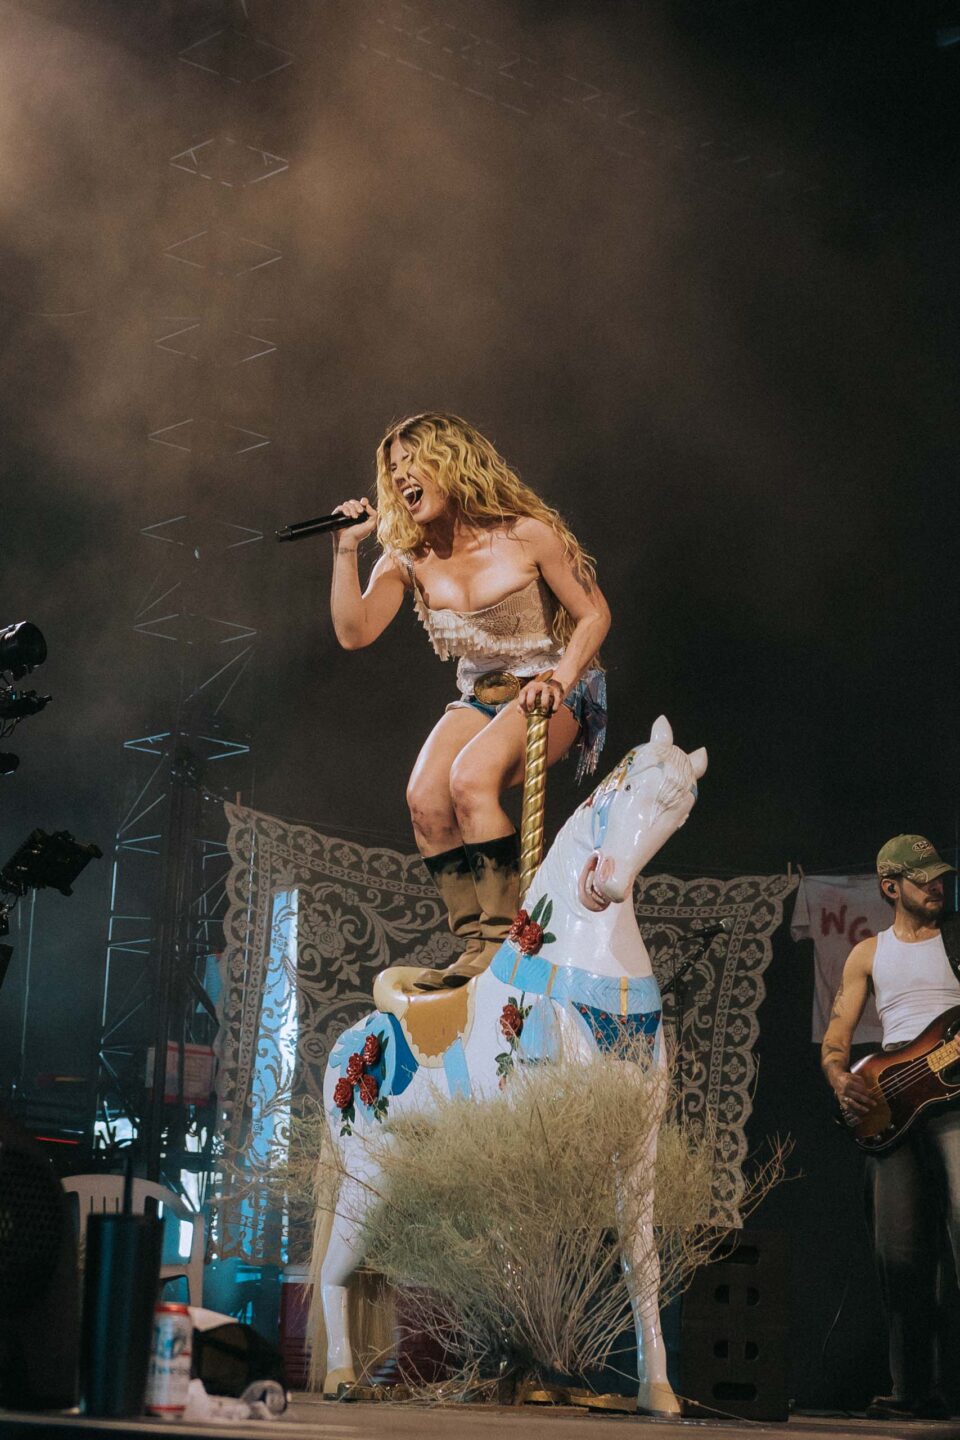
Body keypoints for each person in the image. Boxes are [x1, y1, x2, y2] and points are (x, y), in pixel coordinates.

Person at [329, 412, 610, 981]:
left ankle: (505, 937)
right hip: (482, 696)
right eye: (393, 468)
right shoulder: (406, 558)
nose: (402, 476)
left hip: (553, 687)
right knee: (425, 800)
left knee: (469, 779)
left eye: (414, 460)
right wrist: (343, 550)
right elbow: (354, 633)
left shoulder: (526, 533)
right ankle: (475, 940)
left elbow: (594, 614)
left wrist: (558, 681)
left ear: (453, 462)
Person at [821, 834, 960, 1420]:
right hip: (892, 1105)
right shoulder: (867, 954)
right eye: (923, 877)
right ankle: (912, 1390)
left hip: (955, 1095)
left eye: (940, 875)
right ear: (890, 886)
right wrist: (840, 1079)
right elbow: (837, 1038)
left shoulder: (955, 938)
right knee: (898, 1253)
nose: (937, 885)